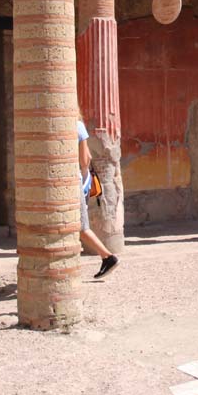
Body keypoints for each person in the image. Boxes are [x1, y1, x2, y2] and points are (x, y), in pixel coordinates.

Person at [78, 118, 119, 279]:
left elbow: (84, 160)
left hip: (77, 183)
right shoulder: (79, 125)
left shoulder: (75, 126)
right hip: (84, 180)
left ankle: (108, 257)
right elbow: (87, 155)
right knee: (79, 226)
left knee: (81, 226)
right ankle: (107, 257)